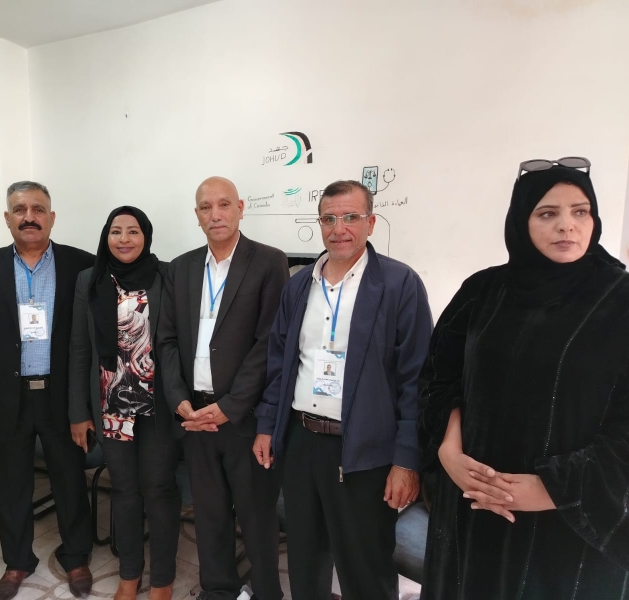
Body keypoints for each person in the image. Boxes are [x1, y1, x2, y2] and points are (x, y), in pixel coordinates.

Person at [418, 159, 629, 599]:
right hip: (472, 508)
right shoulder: (483, 290)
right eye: (547, 213)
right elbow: (440, 375)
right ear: (521, 221)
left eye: (581, 211)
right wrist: (449, 451)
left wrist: (554, 489)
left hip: (568, 526)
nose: (566, 225)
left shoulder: (619, 300)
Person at [253, 180, 432, 599]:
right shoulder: (299, 285)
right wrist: (266, 424)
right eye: (329, 219)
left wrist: (407, 460)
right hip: (301, 442)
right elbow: (279, 364)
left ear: (371, 222)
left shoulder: (399, 284)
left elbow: (417, 379)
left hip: (365, 451)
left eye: (351, 217)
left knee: (364, 564)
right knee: (304, 556)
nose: (339, 229)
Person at [0, 181, 94, 600]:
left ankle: (77, 557)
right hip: (5, 397)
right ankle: (17, 561)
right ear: (7, 217)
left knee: (70, 480)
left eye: (38, 209)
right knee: (10, 484)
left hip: (61, 396)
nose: (29, 217)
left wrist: (87, 402)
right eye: (20, 209)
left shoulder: (81, 265)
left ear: (51, 217)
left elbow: (92, 339)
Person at [158, 176, 289, 600]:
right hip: (194, 415)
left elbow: (269, 342)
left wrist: (232, 405)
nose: (215, 214)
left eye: (224, 204)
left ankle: (266, 592)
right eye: (205, 207)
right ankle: (218, 589)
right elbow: (166, 340)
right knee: (209, 512)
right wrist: (178, 399)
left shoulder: (269, 262)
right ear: (197, 215)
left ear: (240, 208)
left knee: (256, 516)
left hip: (244, 418)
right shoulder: (181, 268)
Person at [68, 206, 180, 600]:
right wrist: (78, 412)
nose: (124, 239)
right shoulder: (90, 279)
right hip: (111, 407)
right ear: (106, 236)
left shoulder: (168, 275)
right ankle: (129, 574)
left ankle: (163, 580)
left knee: (160, 490)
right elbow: (79, 349)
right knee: (125, 491)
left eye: (133, 231)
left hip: (158, 407)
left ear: (146, 236)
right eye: (116, 231)